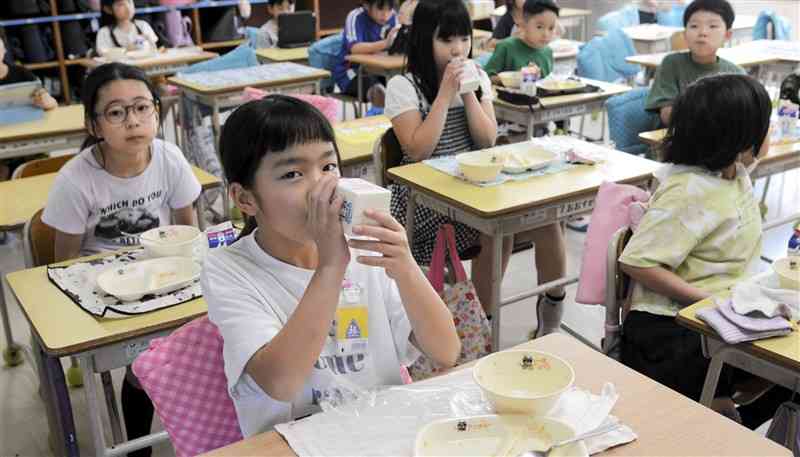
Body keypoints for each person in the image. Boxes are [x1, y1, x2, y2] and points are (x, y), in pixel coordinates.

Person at [202, 94, 459, 436]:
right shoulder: (227, 269)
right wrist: (331, 266)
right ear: (245, 199)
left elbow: (446, 351)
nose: (321, 187)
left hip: (382, 431)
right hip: (295, 443)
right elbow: (282, 382)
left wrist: (406, 266)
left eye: (328, 167)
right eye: (293, 173)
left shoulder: (364, 246)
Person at [42, 62, 201, 457]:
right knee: (144, 360)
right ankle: (138, 448)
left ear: (157, 112)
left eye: (142, 107)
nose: (133, 121)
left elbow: (188, 234)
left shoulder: (169, 158)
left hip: (165, 276)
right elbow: (66, 263)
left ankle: (201, 429)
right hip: (108, 290)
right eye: (116, 112)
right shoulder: (75, 179)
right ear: (94, 125)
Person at [385, 0, 566, 336]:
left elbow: (486, 141)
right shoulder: (404, 87)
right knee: (496, 229)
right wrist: (444, 94)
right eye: (447, 40)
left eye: (464, 39)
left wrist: (469, 93)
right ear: (425, 39)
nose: (458, 49)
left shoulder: (478, 75)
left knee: (547, 221)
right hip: (422, 199)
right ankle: (483, 323)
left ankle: (551, 320)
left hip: (474, 187)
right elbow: (417, 150)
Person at [621, 73, 786, 429]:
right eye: (765, 125)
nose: (770, 132)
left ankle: (733, 419)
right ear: (739, 137)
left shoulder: (735, 172)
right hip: (667, 327)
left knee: (790, 364)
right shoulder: (689, 189)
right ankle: (725, 420)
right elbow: (637, 262)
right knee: (783, 365)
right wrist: (705, 301)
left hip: (715, 313)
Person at [645, 0, 745, 125]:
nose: (702, 32)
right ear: (685, 34)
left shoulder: (737, 74)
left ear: (727, 35)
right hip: (677, 138)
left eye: (712, 26)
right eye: (694, 26)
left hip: (721, 140)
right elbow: (667, 115)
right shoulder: (671, 64)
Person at [0, 36, 58, 180]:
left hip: (28, 135)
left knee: (40, 167)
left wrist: (46, 102)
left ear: (4, 51)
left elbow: (51, 102)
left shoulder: (21, 72)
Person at [332, 0, 398, 108]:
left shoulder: (394, 17)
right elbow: (354, 48)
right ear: (367, 5)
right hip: (352, 72)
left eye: (389, 9)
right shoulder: (355, 16)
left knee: (400, 84)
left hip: (380, 70)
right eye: (380, 9)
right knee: (376, 89)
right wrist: (385, 43)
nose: (386, 15)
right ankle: (381, 111)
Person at [484, 0, 560, 83]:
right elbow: (486, 77)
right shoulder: (506, 47)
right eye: (539, 27)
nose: (546, 34)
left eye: (551, 28)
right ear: (523, 25)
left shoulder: (548, 51)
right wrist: (515, 77)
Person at [96, 0, 160, 58]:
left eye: (129, 2)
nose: (128, 7)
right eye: (121, 4)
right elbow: (104, 54)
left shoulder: (143, 25)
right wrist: (126, 49)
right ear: (108, 9)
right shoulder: (104, 32)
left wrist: (149, 40)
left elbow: (154, 49)